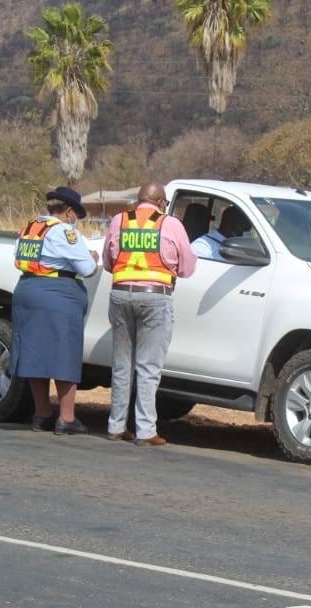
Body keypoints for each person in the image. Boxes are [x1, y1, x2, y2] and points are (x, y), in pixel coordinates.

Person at [102, 182, 197, 446]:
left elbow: (108, 262)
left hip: (120, 294)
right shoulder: (170, 224)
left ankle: (116, 425)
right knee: (148, 367)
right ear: (161, 202)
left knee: (122, 365)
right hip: (155, 297)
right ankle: (145, 431)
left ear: (139, 199)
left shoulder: (119, 220)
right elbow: (188, 267)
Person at [10, 187, 99, 436]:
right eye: (76, 215)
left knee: (34, 352)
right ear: (69, 212)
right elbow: (87, 268)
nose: (75, 220)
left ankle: (42, 414)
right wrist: (91, 256)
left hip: (27, 289)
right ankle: (67, 419)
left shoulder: (29, 227)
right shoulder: (65, 232)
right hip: (58, 293)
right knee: (64, 354)